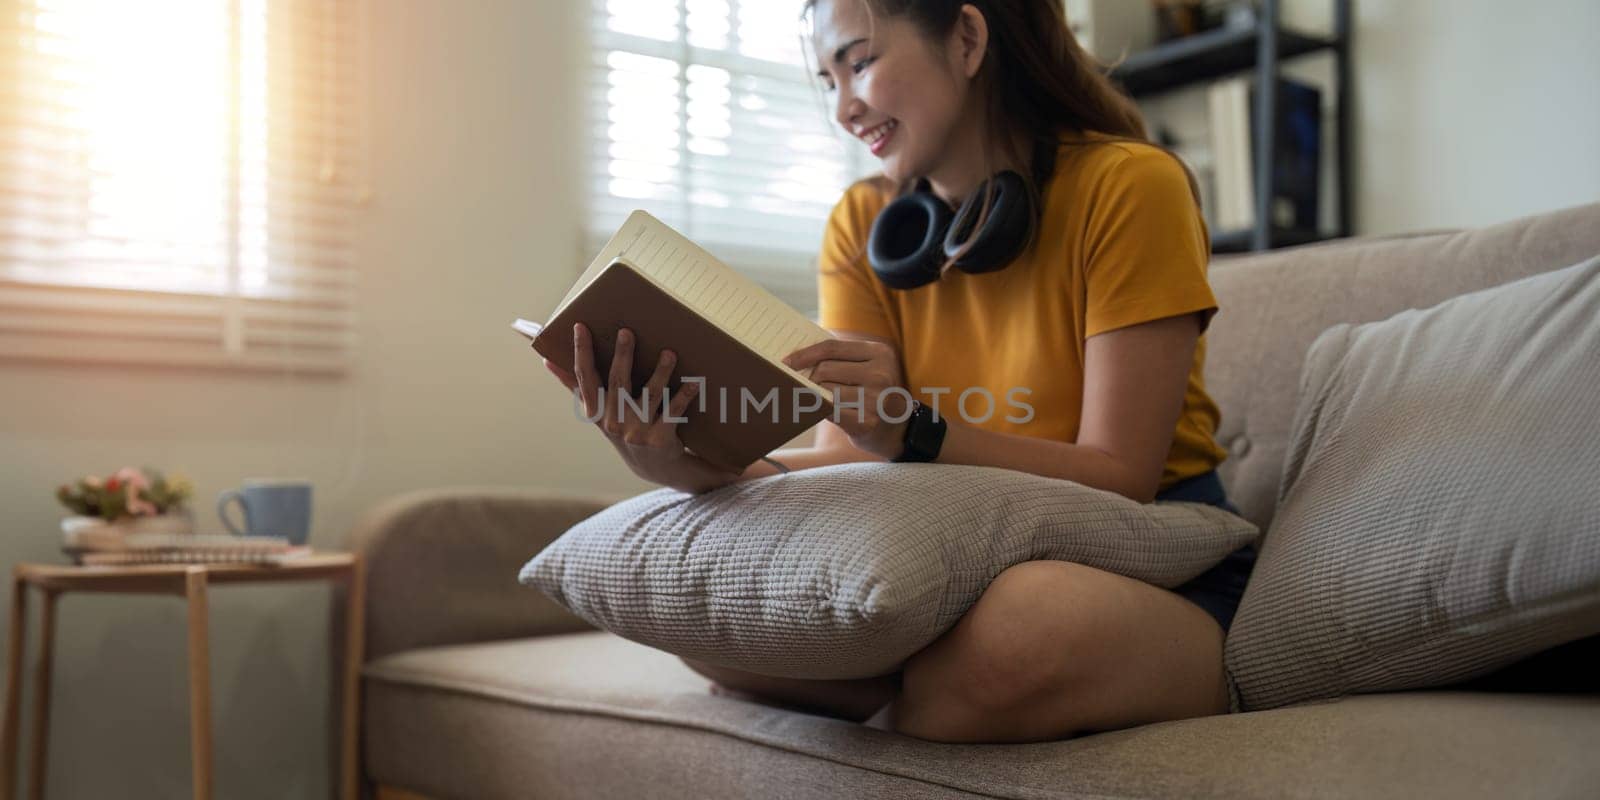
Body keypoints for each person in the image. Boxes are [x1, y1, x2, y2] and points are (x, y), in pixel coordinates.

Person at [541, 0, 1254, 744]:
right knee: (700, 622)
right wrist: (691, 467)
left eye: (860, 62)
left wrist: (914, 432)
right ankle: (940, 698)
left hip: (1147, 565)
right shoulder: (864, 223)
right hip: (944, 564)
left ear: (969, 38)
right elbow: (850, 454)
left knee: (1019, 629)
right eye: (826, 80)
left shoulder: (1132, 185)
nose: (843, 108)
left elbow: (1121, 475)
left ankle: (922, 699)